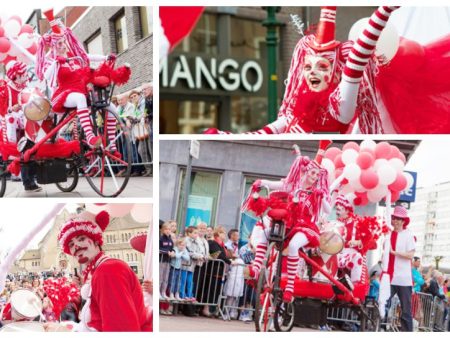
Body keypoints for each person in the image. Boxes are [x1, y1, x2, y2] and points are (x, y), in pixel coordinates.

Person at [205, 6, 400, 134]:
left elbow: (359, 57)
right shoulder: (302, 101)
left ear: (337, 70)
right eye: (308, 66)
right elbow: (278, 124)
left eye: (322, 66)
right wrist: (231, 135)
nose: (312, 72)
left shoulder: (340, 100)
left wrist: (383, 12)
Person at [243, 141, 331, 303]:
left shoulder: (317, 192)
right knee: (264, 234)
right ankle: (256, 269)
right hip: (289, 225)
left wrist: (321, 196)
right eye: (312, 173)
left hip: (305, 228)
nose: (314, 177)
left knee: (294, 245)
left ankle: (290, 287)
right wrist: (261, 182)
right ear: (304, 172)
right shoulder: (293, 186)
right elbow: (277, 184)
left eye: (317, 175)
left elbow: (327, 210)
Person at [35, 9, 121, 157]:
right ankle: (90, 136)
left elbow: (88, 56)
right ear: (54, 46)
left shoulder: (73, 57)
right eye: (59, 43)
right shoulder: (52, 60)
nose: (62, 45)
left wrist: (106, 57)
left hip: (81, 90)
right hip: (65, 94)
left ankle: (111, 144)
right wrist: (56, 62)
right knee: (80, 98)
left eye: (63, 42)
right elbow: (46, 76)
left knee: (110, 105)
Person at [49, 209, 151, 331]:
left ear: (96, 240)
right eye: (71, 244)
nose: (76, 246)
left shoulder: (108, 270)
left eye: (81, 239)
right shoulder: (98, 270)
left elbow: (121, 329)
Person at [0, 61, 43, 191]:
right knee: (13, 118)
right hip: (8, 119)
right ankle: (12, 147)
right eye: (23, 74)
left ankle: (30, 180)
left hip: (24, 119)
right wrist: (11, 109)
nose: (26, 76)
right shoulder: (5, 87)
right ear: (16, 75)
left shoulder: (27, 88)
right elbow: (2, 110)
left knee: (34, 126)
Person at [385, 206, 415, 332]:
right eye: (394, 218)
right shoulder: (389, 234)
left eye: (399, 219)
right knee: (382, 304)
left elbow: (410, 255)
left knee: (406, 311)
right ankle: (378, 328)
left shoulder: (408, 235)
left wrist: (394, 252)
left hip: (404, 279)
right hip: (390, 277)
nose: (396, 221)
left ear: (403, 221)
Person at [201, 226, 235, 317]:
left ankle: (213, 309)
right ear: (218, 234)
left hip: (220, 271)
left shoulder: (222, 245)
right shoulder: (213, 243)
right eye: (223, 232)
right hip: (213, 270)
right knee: (210, 290)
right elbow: (218, 255)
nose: (224, 234)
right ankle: (206, 308)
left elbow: (224, 255)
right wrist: (230, 261)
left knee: (217, 291)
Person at [334, 194, 364, 283]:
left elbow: (369, 241)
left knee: (357, 257)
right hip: (335, 252)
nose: (337, 209)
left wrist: (357, 242)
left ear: (347, 210)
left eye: (340, 207)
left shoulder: (358, 223)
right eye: (337, 207)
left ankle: (354, 285)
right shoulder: (334, 223)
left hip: (350, 253)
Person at [181, 226, 203, 301]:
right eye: (195, 233)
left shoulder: (197, 241)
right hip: (184, 264)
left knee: (190, 281)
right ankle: (182, 294)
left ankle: (190, 295)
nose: (196, 235)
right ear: (189, 233)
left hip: (192, 265)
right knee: (183, 280)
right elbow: (189, 251)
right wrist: (198, 256)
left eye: (197, 233)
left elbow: (199, 251)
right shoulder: (186, 241)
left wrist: (200, 255)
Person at [159, 221, 175, 300]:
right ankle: (158, 292)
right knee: (160, 277)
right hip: (161, 261)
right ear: (162, 230)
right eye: (166, 229)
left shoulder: (170, 240)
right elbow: (158, 249)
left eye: (169, 229)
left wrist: (173, 252)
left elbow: (172, 249)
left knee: (165, 278)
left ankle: (163, 292)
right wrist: (166, 252)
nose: (168, 231)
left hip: (168, 261)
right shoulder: (160, 239)